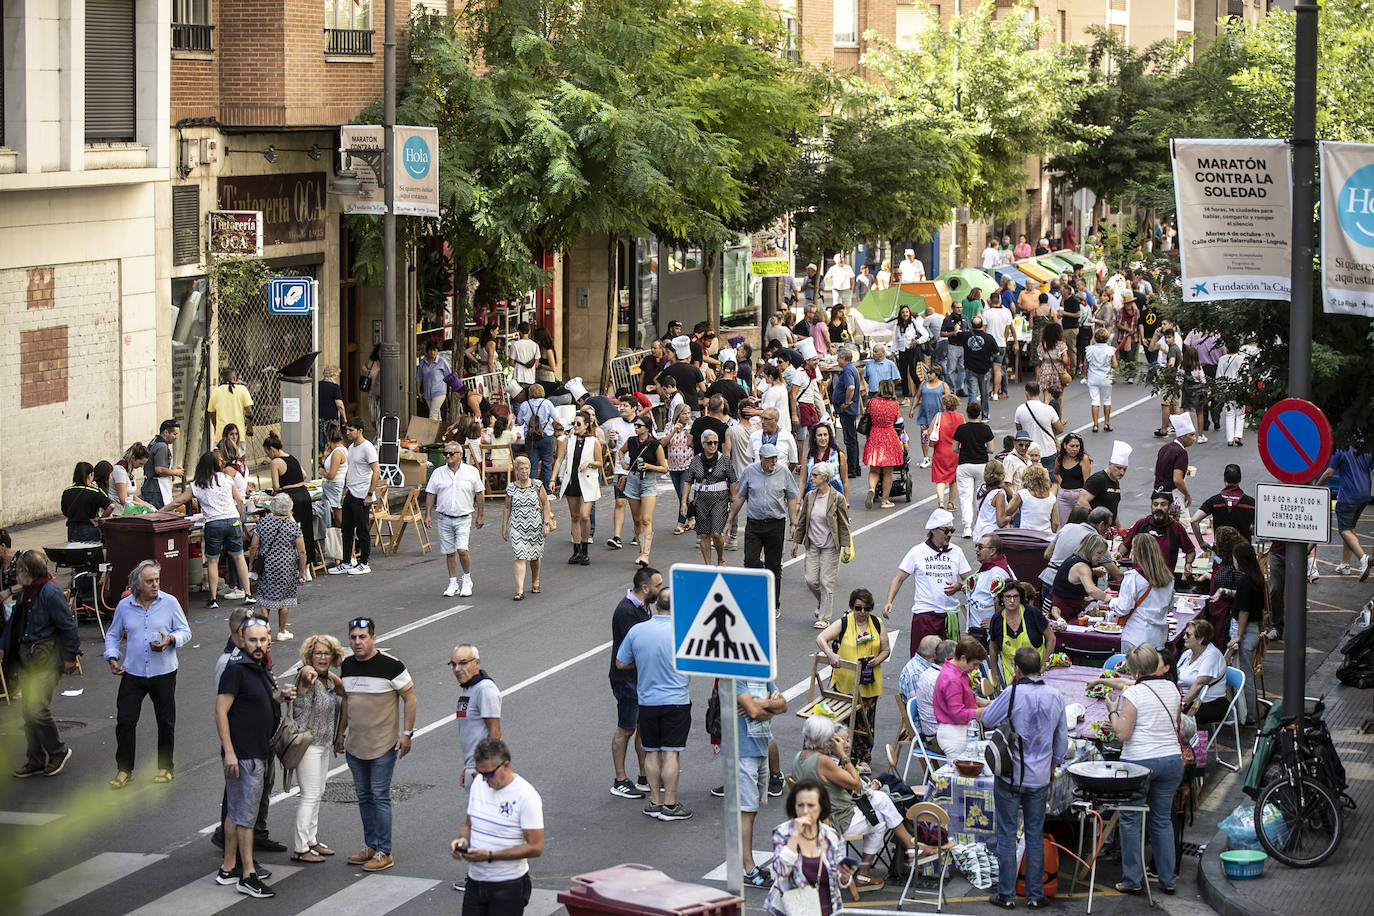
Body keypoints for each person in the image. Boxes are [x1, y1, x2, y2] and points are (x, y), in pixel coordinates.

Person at [789, 717, 920, 891]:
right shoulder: (823, 761)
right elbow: (857, 784)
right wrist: (843, 756)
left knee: (879, 807)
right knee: (880, 814)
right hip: (835, 821)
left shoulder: (799, 757)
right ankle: (868, 871)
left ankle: (908, 849)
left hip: (813, 820)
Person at [982, 646, 1068, 910]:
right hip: (1040, 778)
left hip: (1010, 777)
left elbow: (986, 718)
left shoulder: (1012, 693)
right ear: (1040, 668)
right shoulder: (1055, 696)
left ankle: (1006, 895)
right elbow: (1061, 742)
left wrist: (1009, 689)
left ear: (1017, 670)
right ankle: (1034, 894)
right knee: (1034, 834)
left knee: (1007, 836)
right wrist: (1054, 763)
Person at [338, 616, 418, 872]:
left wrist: (406, 733)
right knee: (363, 797)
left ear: (373, 638)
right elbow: (346, 702)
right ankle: (371, 846)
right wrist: (340, 734)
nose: (358, 642)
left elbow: (410, 699)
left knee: (379, 796)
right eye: (353, 638)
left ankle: (385, 851)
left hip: (383, 746)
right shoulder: (347, 665)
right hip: (355, 746)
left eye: (363, 637)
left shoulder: (391, 666)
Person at [1103, 643, 1184, 896]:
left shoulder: (1134, 694)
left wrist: (1113, 712)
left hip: (1140, 763)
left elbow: (1123, 734)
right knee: (1161, 820)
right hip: (1171, 759)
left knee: (1131, 819)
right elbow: (1177, 723)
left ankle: (1132, 879)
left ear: (1135, 670)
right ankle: (1168, 878)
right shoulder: (1172, 688)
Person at [103, 560, 191, 788]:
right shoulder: (124, 606)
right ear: (137, 584)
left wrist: (170, 640)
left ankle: (165, 767)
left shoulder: (169, 603)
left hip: (163, 672)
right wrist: (112, 657)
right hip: (132, 672)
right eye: (149, 581)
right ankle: (124, 770)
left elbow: (185, 631)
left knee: (165, 720)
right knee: (125, 720)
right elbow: (113, 635)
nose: (155, 585)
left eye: (157, 580)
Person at [213, 619, 280, 899]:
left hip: (257, 750)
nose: (257, 645)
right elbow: (220, 712)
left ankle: (229, 868)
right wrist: (230, 751)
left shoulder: (260, 666)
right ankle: (248, 875)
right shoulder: (236, 669)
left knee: (236, 812)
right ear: (242, 639)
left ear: (269, 641)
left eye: (262, 640)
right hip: (244, 754)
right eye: (252, 640)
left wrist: (281, 696)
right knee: (245, 817)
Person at [1, 549, 81, 778]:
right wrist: (3, 645)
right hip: (29, 659)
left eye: (18, 569)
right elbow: (16, 623)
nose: (15, 574)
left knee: (37, 709)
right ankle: (35, 760)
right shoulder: (29, 590)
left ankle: (58, 751)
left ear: (27, 570)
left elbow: (68, 626)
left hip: (46, 660)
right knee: (29, 713)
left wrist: (69, 657)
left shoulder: (49, 592)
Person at [615, 587, 693, 821]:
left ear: (657, 605)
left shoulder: (638, 630)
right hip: (676, 700)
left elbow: (621, 663)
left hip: (647, 700)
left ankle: (654, 803)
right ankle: (670, 805)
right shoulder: (684, 631)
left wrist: (640, 663)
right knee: (671, 753)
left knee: (651, 751)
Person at [449, 738, 545, 913]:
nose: (484, 779)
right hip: (475, 882)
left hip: (508, 885)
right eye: (480, 772)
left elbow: (535, 847)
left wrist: (490, 855)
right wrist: (461, 841)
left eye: (488, 774)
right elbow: (468, 826)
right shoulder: (479, 783)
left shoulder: (526, 795)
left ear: (505, 766)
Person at [289, 634, 346, 864]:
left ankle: (311, 841)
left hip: (323, 744)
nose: (322, 657)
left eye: (326, 653)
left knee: (318, 793)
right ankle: (300, 848)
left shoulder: (329, 680)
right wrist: (308, 671)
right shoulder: (308, 676)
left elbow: (345, 693)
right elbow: (305, 674)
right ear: (310, 655)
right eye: (318, 653)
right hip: (307, 745)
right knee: (309, 795)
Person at [762, 780, 857, 916]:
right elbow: (781, 870)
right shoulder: (782, 833)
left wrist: (845, 876)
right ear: (794, 807)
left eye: (811, 805)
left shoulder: (832, 837)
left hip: (826, 909)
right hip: (792, 910)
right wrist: (795, 835)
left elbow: (838, 879)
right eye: (800, 805)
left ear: (821, 807)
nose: (805, 811)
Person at [170, 452, 252, 609]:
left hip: (213, 524)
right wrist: (239, 518)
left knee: (213, 561)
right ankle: (247, 593)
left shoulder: (197, 484)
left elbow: (179, 501)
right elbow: (240, 500)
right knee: (239, 557)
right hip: (232, 520)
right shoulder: (226, 478)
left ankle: (213, 599)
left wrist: (161, 510)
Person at [816, 589, 888, 765]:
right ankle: (843, 758)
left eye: (867, 608)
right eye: (858, 608)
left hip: (868, 684)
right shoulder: (844, 623)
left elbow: (886, 649)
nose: (863, 612)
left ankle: (863, 759)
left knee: (866, 724)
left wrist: (877, 660)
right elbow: (821, 638)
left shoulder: (877, 623)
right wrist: (830, 654)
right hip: (845, 684)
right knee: (844, 726)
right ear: (852, 607)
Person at [884, 508, 970, 654]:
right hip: (924, 616)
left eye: (952, 530)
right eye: (946, 531)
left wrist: (959, 586)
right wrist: (888, 601)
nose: (950, 534)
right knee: (922, 660)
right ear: (933, 530)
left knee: (949, 663)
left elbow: (969, 581)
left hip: (949, 616)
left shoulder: (957, 552)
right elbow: (899, 578)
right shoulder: (917, 552)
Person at [735, 677, 788, 887]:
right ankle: (747, 868)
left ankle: (747, 865)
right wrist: (764, 706)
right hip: (742, 751)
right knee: (746, 811)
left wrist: (762, 703)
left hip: (759, 746)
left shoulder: (761, 674)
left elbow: (783, 705)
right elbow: (754, 713)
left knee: (751, 810)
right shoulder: (736, 675)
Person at [792, 463, 853, 628]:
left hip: (830, 546)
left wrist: (846, 546)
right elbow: (803, 520)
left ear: (825, 478)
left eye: (815, 475)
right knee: (811, 580)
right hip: (812, 544)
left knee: (826, 581)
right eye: (812, 475)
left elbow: (843, 524)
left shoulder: (837, 498)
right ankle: (822, 601)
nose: (811, 478)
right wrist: (796, 543)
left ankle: (824, 617)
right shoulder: (809, 496)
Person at [424, 440, 486, 597]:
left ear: (460, 455)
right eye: (446, 453)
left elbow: (479, 493)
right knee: (449, 552)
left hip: (463, 517)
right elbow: (431, 493)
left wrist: (480, 515)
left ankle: (467, 579)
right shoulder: (438, 472)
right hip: (444, 517)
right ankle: (452, 582)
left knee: (462, 550)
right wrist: (428, 515)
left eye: (451, 453)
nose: (448, 456)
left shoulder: (471, 472)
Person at [1217, 542, 1267, 724]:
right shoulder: (1255, 578)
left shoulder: (1246, 581)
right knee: (1245, 674)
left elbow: (1243, 611)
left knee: (1243, 676)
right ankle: (1249, 713)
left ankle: (1249, 715)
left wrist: (1238, 635)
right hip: (1252, 630)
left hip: (1245, 632)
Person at [247, 494, 307, 641]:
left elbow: (253, 545)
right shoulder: (293, 526)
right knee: (285, 598)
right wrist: (302, 571)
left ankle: (265, 630)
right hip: (287, 566)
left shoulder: (263, 523)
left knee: (264, 597)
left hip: (267, 564)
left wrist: (251, 565)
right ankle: (281, 630)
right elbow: (301, 551)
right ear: (289, 509)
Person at [262, 432, 319, 573]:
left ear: (271, 449)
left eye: (267, 452)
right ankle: (307, 565)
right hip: (304, 494)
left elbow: (275, 486)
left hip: (291, 498)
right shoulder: (292, 457)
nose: (267, 456)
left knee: (293, 532)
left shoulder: (275, 462)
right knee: (306, 529)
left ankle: (296, 566)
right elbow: (304, 475)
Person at [329, 418, 380, 577]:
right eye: (347, 430)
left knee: (362, 529)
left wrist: (370, 494)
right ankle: (346, 561)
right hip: (351, 493)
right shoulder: (351, 447)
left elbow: (376, 471)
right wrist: (345, 488)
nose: (348, 433)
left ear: (360, 430)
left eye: (351, 430)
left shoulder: (367, 448)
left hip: (362, 494)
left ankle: (364, 562)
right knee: (346, 528)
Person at [448, 644, 502, 789]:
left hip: (484, 770)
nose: (457, 669)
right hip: (474, 768)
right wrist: (468, 767)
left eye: (463, 663)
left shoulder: (485, 689)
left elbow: (495, 732)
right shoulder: (468, 688)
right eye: (453, 664)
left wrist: (487, 770)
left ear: (476, 662)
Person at [553, 411, 602, 566]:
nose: (575, 426)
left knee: (584, 516)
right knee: (574, 516)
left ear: (586, 425)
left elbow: (600, 462)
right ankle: (576, 550)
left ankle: (585, 549)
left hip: (587, 481)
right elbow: (560, 459)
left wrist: (589, 463)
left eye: (578, 423)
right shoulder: (569, 439)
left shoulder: (593, 441)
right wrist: (553, 479)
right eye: (573, 423)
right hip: (572, 480)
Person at [1316, 445, 1373, 578]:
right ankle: (1345, 564)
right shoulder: (1365, 447)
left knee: (1344, 530)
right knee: (1350, 527)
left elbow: (1329, 473)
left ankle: (1363, 558)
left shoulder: (1341, 449)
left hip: (1348, 496)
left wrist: (1316, 487)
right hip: (1364, 495)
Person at [681, 430, 736, 566]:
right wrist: (683, 502)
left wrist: (733, 499)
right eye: (710, 443)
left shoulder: (724, 459)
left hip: (720, 499)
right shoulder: (696, 461)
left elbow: (733, 479)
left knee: (716, 533)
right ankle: (708, 565)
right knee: (704, 535)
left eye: (715, 443)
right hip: (701, 500)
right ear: (703, 444)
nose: (713, 445)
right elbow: (688, 481)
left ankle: (720, 558)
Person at [1113, 534, 1176, 652]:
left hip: (1135, 637)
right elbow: (1169, 607)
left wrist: (1111, 601)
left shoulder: (1133, 577)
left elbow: (1123, 608)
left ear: (1136, 551)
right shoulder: (1168, 578)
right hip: (1158, 637)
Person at [619, 414, 667, 567]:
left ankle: (645, 554)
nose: (636, 428)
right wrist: (622, 462)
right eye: (635, 425)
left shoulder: (655, 445)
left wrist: (649, 466)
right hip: (632, 480)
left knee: (646, 519)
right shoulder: (632, 441)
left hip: (648, 481)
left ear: (647, 428)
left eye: (639, 426)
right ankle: (640, 551)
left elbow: (664, 468)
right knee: (637, 520)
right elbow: (620, 451)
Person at [502, 456, 553, 600]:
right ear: (516, 471)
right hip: (517, 527)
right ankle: (519, 590)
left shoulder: (537, 484)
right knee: (520, 556)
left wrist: (546, 524)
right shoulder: (511, 487)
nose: (524, 472)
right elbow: (507, 508)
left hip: (535, 527)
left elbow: (545, 504)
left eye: (527, 468)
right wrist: (504, 527)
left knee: (535, 557)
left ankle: (535, 581)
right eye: (521, 469)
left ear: (530, 469)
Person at [989, 581, 1055, 687]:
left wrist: (1045, 665)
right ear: (1001, 598)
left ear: (1021, 598)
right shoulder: (996, 619)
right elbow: (993, 648)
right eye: (1008, 597)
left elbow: (1051, 638)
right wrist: (995, 674)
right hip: (1011, 677)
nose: (1012, 601)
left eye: (1016, 596)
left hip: (1037, 674)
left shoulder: (1032, 613)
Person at [933, 635, 989, 758]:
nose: (975, 668)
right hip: (955, 734)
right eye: (974, 664)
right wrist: (983, 712)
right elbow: (958, 714)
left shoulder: (956, 672)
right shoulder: (952, 679)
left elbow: (964, 696)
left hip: (960, 730)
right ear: (963, 658)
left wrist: (983, 703)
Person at [1120, 491, 1197, 579]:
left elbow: (1190, 551)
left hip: (1164, 580)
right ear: (1151, 507)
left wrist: (1188, 564)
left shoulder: (1176, 528)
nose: (1159, 508)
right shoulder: (1141, 524)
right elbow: (1125, 546)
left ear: (1169, 508)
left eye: (1163, 504)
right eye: (1155, 504)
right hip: (1140, 578)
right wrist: (1119, 553)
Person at [1177, 619, 1228, 736]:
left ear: (1201, 639)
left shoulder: (1211, 655)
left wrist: (1182, 704)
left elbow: (1200, 684)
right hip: (1186, 697)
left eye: (1188, 635)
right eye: (1185, 633)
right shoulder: (1187, 653)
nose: (1184, 637)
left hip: (1208, 703)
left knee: (1165, 712)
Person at [952, 400, 994, 538]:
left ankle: (967, 527)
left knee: (965, 496)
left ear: (967, 413)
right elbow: (991, 449)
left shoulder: (961, 429)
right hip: (981, 465)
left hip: (964, 465)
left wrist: (965, 451)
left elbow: (954, 448)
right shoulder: (985, 429)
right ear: (980, 413)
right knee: (980, 496)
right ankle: (980, 525)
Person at [861, 378, 903, 510]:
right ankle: (885, 500)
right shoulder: (894, 405)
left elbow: (867, 415)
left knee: (874, 470)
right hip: (889, 435)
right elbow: (896, 418)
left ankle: (872, 489)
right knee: (888, 472)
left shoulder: (871, 402)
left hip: (875, 435)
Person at [1049, 532, 1110, 621]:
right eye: (1099, 553)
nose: (1101, 557)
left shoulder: (1074, 559)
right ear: (1089, 550)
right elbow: (1091, 590)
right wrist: (1109, 599)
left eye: (1102, 554)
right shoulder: (1082, 567)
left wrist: (1093, 571)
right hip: (1064, 609)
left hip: (1061, 603)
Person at [1191, 463, 1256, 544]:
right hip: (1242, 552)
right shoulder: (1250, 503)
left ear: (1224, 479)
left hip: (1220, 551)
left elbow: (1194, 521)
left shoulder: (1214, 501)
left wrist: (1201, 542)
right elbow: (1259, 528)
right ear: (1240, 479)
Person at [1077, 440, 1131, 524]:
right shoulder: (1098, 479)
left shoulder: (1115, 481)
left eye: (1124, 469)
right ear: (1110, 464)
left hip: (1108, 528)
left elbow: (1113, 509)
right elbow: (1082, 500)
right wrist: (1095, 523)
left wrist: (1118, 528)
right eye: (1118, 468)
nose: (1122, 472)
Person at [929, 391, 963, 512]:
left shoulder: (938, 416)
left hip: (940, 451)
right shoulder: (960, 417)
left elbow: (930, 431)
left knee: (940, 478)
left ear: (944, 405)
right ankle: (951, 503)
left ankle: (941, 501)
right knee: (953, 479)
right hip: (955, 452)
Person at [1154, 413, 1197, 507]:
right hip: (1171, 497)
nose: (1194, 438)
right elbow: (1177, 479)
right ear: (1182, 436)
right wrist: (1187, 495)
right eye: (1192, 435)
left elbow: (1156, 471)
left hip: (1156, 494)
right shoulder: (1181, 453)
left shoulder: (1165, 448)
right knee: (1180, 521)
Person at [912, 365, 949, 471]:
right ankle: (926, 458)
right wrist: (912, 409)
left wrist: (948, 413)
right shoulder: (923, 384)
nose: (928, 375)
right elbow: (917, 396)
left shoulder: (943, 385)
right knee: (924, 437)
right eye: (927, 373)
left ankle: (940, 458)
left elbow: (949, 399)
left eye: (930, 373)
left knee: (940, 438)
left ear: (936, 375)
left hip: (938, 415)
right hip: (925, 414)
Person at [831, 348, 862, 472]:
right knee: (852, 438)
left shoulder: (848, 370)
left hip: (847, 410)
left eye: (838, 358)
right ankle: (855, 467)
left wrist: (845, 403)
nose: (837, 360)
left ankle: (852, 468)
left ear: (843, 359)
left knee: (849, 439)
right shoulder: (850, 369)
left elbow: (850, 387)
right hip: (848, 409)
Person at [1053, 433, 1091, 525]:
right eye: (1072, 446)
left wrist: (1083, 496)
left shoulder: (1083, 458)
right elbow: (1056, 474)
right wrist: (1063, 483)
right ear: (1065, 446)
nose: (1075, 449)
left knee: (1081, 524)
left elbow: (1087, 481)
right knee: (1065, 525)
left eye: (1077, 446)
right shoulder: (1060, 458)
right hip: (1063, 496)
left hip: (1079, 495)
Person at [208, 368, 255, 443]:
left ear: (222, 379)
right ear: (234, 378)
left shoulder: (215, 392)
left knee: (221, 454)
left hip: (221, 435)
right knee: (239, 454)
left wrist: (217, 429)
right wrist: (249, 428)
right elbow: (249, 411)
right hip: (238, 435)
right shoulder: (242, 389)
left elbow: (212, 413)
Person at [1010, 465, 1058, 537]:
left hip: (1026, 536)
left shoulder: (1023, 493)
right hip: (1045, 536)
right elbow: (1056, 523)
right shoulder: (1051, 497)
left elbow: (1008, 511)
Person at [319, 422, 347, 528]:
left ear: (328, 438)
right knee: (333, 514)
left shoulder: (337, 453)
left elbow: (331, 475)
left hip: (334, 486)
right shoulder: (339, 450)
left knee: (337, 516)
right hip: (332, 486)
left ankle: (342, 539)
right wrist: (326, 456)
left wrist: (322, 473)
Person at [109, 443, 152, 510]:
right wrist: (143, 506)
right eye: (140, 463)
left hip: (127, 509)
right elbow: (123, 500)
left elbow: (131, 496)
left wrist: (147, 504)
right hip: (118, 511)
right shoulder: (120, 471)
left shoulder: (131, 469)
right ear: (132, 458)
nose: (141, 466)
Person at [416, 340, 451, 422]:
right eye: (430, 350)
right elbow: (419, 377)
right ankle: (441, 433)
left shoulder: (442, 362)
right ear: (427, 351)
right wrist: (418, 392)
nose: (432, 353)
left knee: (433, 415)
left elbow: (449, 376)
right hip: (427, 393)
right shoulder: (423, 362)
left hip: (439, 392)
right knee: (437, 415)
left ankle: (432, 434)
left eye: (435, 350)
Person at [317, 365, 347, 450]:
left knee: (320, 440)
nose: (337, 378)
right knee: (332, 439)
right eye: (337, 376)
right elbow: (340, 405)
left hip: (319, 417)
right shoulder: (335, 387)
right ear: (333, 375)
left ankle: (320, 459)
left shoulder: (317, 385)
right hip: (331, 419)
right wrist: (344, 418)